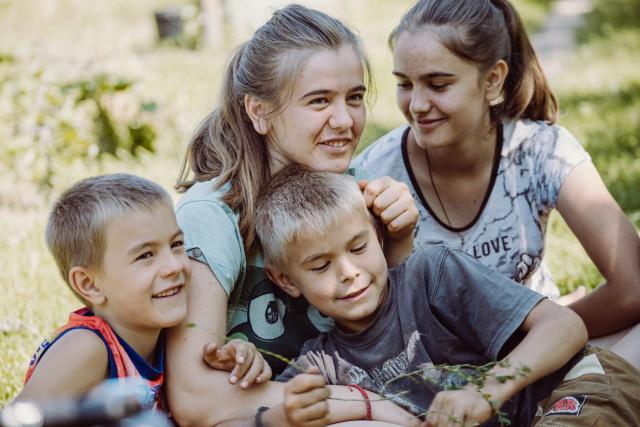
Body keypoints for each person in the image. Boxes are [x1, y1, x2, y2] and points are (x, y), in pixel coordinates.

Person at [352, 0, 640, 367]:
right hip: (436, 375)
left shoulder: (542, 150)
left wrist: (542, 333)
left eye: (438, 84)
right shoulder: (373, 175)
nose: (418, 104)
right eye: (405, 84)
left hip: (543, 355)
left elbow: (632, 288)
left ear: (492, 80)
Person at [168, 4, 419, 425]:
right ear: (259, 111)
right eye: (319, 100)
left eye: (354, 98)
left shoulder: (357, 190)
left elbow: (409, 347)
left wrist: (398, 240)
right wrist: (367, 403)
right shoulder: (212, 216)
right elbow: (196, 400)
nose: (345, 120)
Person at [257, 165, 640, 427]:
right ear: (286, 281)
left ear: (377, 233)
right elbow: (262, 415)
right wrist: (282, 416)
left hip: (577, 387)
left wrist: (488, 391)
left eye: (358, 248)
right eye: (320, 266)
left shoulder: (432, 274)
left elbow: (565, 325)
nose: (348, 272)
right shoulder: (322, 363)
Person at [13, 174, 267, 409]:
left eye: (177, 244)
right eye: (145, 255)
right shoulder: (86, 349)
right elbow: (20, 418)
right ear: (90, 284)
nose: (174, 265)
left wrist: (234, 363)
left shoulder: (168, 341)